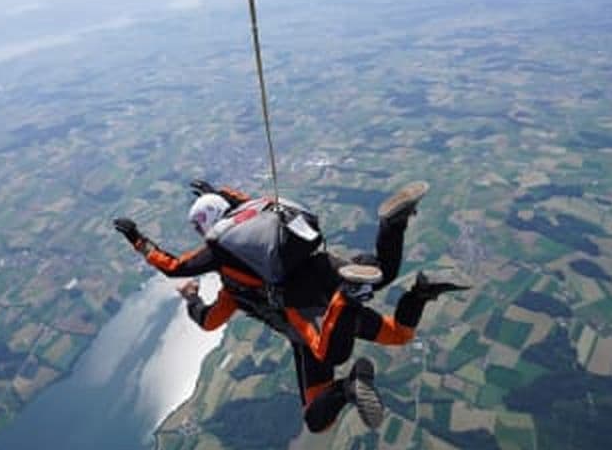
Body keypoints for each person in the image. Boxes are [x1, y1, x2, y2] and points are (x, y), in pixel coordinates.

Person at [114, 180, 469, 431]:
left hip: (310, 312)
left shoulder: (229, 283)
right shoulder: (256, 218)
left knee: (318, 411)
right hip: (324, 266)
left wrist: (139, 242)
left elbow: (186, 287)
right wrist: (215, 192)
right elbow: (239, 201)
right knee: (392, 307)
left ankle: (347, 383)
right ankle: (397, 237)